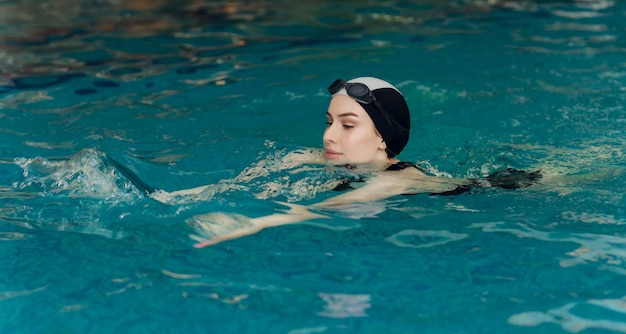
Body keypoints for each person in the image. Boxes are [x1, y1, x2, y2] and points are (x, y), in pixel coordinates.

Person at [154, 76, 541, 247]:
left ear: (382, 141)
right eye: (328, 122)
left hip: (499, 188)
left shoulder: (395, 181)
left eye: (348, 124)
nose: (329, 136)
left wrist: (251, 224)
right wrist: (177, 195)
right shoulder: (312, 157)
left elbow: (324, 209)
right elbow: (247, 179)